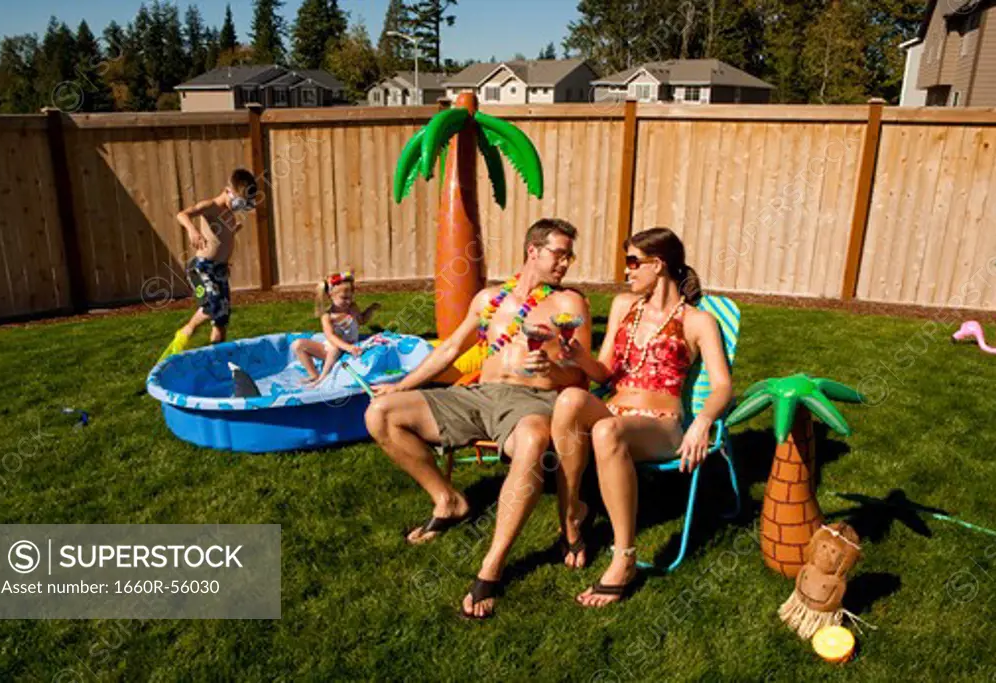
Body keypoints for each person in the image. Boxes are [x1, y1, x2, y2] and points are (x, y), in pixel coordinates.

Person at [365, 218, 591, 619]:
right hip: (478, 395)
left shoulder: (570, 304)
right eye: (559, 253)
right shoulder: (489, 299)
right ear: (533, 251)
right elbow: (451, 347)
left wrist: (551, 369)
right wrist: (401, 386)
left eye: (569, 256)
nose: (565, 263)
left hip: (534, 400)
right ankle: (448, 501)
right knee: (380, 414)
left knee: (533, 440)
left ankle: (492, 565)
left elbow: (579, 375)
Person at [551, 227, 732, 607]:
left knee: (606, 431)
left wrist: (701, 424)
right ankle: (571, 515)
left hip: (660, 424)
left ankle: (624, 558)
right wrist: (576, 356)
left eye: (633, 262)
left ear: (658, 264)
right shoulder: (623, 307)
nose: (627, 272)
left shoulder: (699, 322)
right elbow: (603, 371)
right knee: (569, 399)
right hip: (615, 408)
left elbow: (722, 387)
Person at [158, 169, 259, 362]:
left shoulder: (229, 215)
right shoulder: (211, 206)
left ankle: (217, 358)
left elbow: (219, 240)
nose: (239, 207)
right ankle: (186, 330)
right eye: (239, 202)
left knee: (221, 319)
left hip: (219, 269)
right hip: (202, 268)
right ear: (228, 190)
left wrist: (231, 237)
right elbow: (182, 214)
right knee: (212, 305)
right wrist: (192, 230)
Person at [291, 270, 381, 385]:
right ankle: (314, 375)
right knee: (297, 344)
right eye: (344, 298)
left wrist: (370, 310)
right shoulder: (327, 316)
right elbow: (330, 336)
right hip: (334, 348)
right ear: (331, 296)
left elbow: (361, 320)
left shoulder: (352, 308)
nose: (348, 301)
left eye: (350, 297)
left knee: (335, 348)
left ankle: (322, 378)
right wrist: (347, 347)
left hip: (349, 346)